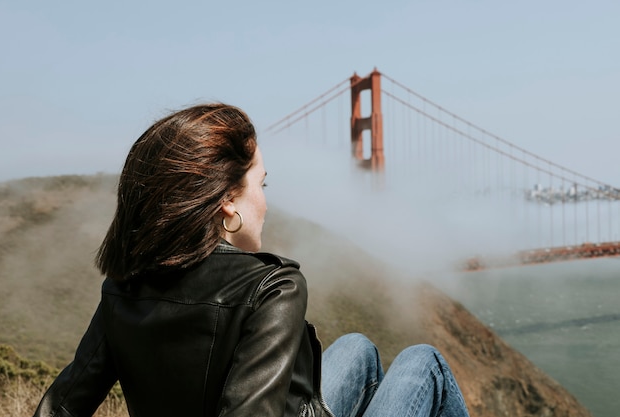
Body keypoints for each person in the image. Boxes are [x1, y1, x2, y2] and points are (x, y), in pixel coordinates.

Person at [33, 103, 469, 417]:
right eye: (261, 183)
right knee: (423, 363)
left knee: (358, 348)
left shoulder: (123, 286)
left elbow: (61, 407)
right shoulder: (273, 286)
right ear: (227, 201)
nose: (265, 201)